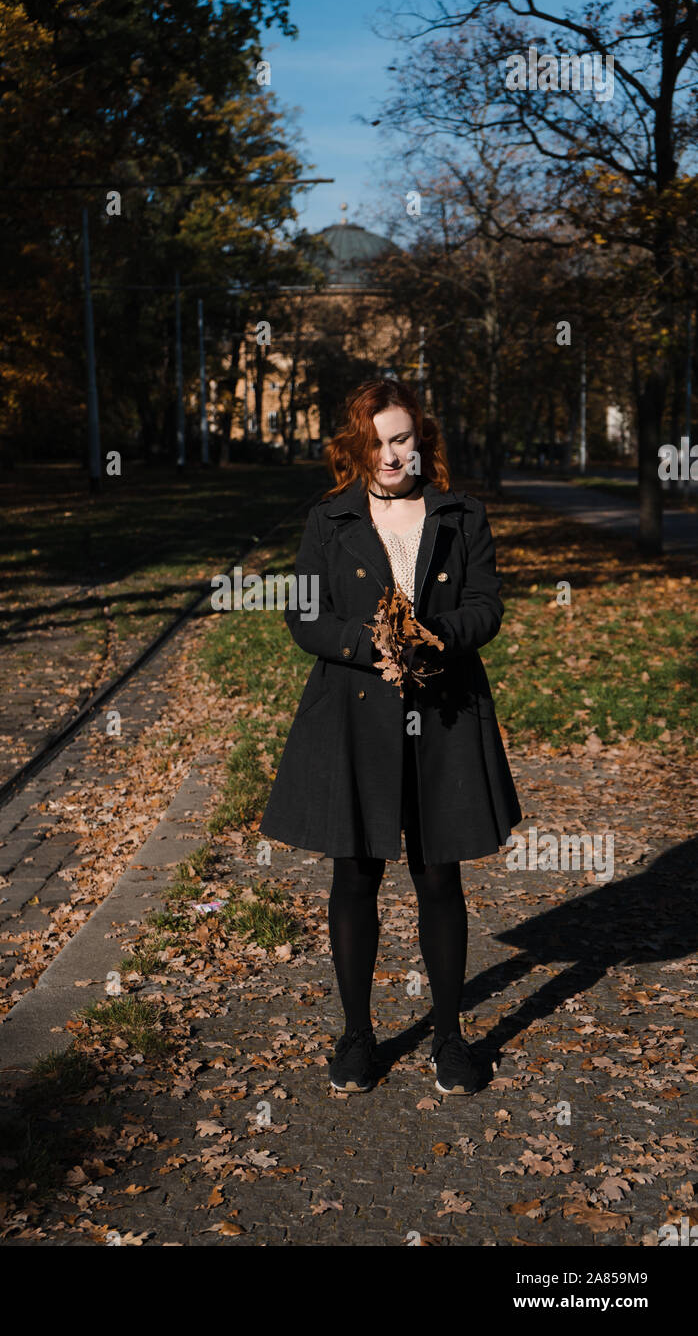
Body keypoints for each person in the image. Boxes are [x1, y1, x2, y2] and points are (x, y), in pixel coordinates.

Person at [258, 379, 522, 1096]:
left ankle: (449, 1039)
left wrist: (440, 636)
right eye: (375, 441)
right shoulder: (330, 518)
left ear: (421, 437)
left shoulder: (461, 513)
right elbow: (304, 617)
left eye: (401, 437)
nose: (390, 454)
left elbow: (487, 605)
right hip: (354, 712)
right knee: (357, 873)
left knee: (439, 873)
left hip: (444, 714)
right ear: (355, 448)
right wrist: (365, 643)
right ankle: (356, 1035)